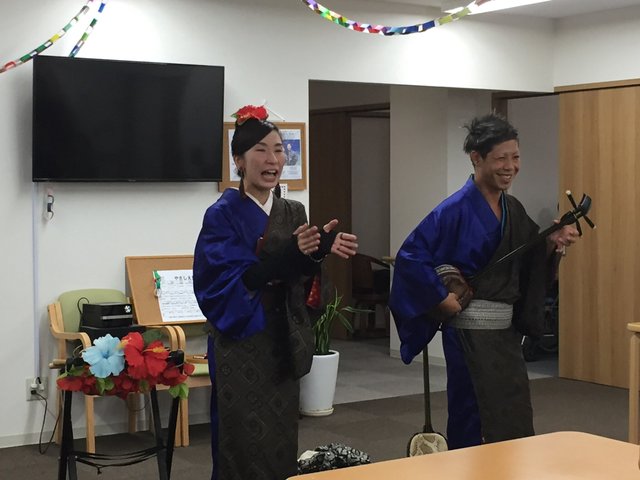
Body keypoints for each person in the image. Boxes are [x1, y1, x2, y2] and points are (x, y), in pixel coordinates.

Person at [389, 113, 579, 449]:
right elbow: (411, 257)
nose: (510, 166)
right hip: (468, 334)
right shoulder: (454, 210)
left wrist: (552, 240)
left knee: (513, 410)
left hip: (505, 337)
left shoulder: (513, 208)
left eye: (516, 157)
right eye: (501, 158)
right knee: (472, 412)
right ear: (476, 158)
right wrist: (438, 298)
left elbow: (529, 257)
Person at [193, 104, 358, 480]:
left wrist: (317, 254)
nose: (273, 159)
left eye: (279, 150)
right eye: (261, 151)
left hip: (283, 338)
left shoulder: (293, 210)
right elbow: (221, 282)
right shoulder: (222, 214)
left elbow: (301, 279)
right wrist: (284, 259)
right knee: (242, 440)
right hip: (242, 339)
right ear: (238, 160)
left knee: (281, 435)